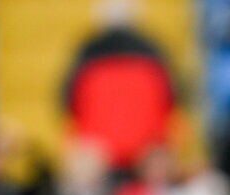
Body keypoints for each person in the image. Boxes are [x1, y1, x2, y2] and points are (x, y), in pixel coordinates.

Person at [61, 0, 180, 175]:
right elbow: (173, 100)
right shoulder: (154, 50)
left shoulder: (85, 52)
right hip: (146, 149)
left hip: (100, 153)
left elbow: (67, 102)